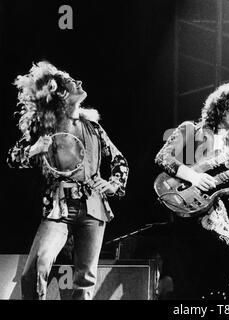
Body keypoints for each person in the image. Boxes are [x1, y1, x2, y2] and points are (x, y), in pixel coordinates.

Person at [7, 61, 129, 300]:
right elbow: (12, 158)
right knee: (34, 271)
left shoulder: (93, 128)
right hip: (58, 207)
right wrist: (34, 150)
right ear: (62, 93)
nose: (80, 83)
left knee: (85, 281)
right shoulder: (45, 127)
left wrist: (114, 183)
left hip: (93, 207)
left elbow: (119, 160)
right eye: (74, 82)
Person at [155, 82, 229, 299]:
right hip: (197, 214)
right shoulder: (191, 130)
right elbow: (163, 158)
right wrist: (194, 176)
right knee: (198, 277)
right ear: (219, 107)